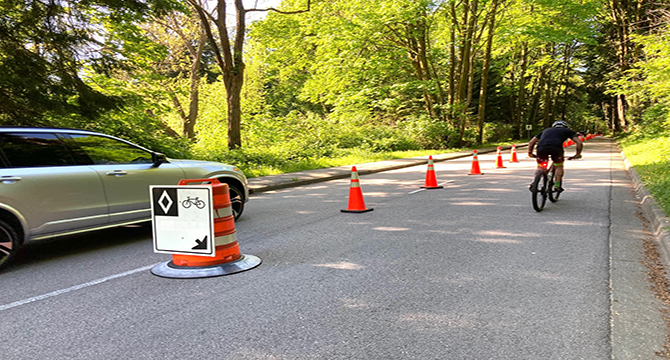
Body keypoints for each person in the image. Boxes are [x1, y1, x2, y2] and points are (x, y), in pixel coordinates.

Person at [527, 120, 583, 192]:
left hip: (541, 148)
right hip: (556, 149)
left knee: (540, 166)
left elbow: (531, 142)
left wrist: (530, 153)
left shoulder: (546, 130)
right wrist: (578, 154)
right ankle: (557, 185)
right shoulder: (567, 131)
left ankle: (534, 182)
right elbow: (579, 142)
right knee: (559, 165)